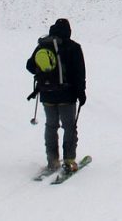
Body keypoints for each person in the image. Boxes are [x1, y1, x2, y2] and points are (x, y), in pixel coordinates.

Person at [26, 18, 86, 173]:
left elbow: (30, 66)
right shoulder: (73, 47)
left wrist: (45, 74)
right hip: (67, 95)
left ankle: (52, 160)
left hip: (47, 94)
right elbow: (79, 73)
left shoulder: (43, 45)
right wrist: (81, 93)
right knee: (69, 127)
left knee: (51, 126)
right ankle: (69, 160)